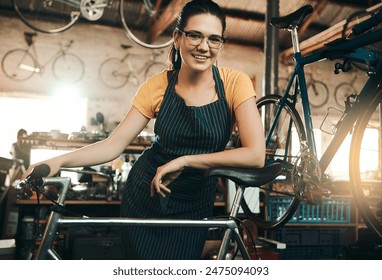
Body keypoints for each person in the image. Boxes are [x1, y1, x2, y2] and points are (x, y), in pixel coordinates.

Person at [22, 0, 265, 260]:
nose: (204, 47)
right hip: (145, 197)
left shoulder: (234, 83)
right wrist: (57, 160)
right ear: (177, 38)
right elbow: (113, 145)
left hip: (195, 201)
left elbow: (255, 155)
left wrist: (185, 161)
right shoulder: (155, 87)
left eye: (214, 39)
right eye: (195, 35)